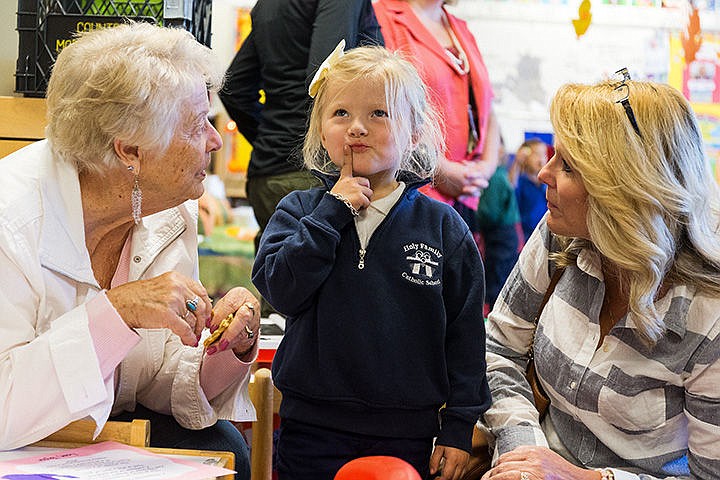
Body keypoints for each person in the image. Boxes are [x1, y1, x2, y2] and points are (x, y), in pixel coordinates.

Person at [0, 23, 262, 478]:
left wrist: (225, 348)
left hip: (105, 439)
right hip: (23, 445)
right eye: (198, 123)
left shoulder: (168, 212)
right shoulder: (12, 219)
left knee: (225, 446)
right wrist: (117, 312)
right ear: (130, 151)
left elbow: (155, 377)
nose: (216, 139)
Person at [251, 45, 491, 479]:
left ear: (414, 131)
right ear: (321, 130)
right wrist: (331, 214)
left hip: (409, 437)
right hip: (310, 432)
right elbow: (281, 289)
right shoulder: (300, 211)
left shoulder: (442, 227)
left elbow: (466, 338)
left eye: (379, 114)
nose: (357, 128)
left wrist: (458, 428)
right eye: (340, 113)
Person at [480, 72, 720, 479]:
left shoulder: (707, 313)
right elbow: (500, 348)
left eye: (568, 166)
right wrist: (523, 456)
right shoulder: (562, 233)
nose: (544, 174)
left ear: (623, 192)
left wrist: (581, 477)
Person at [218, 0, 384, 317]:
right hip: (318, 177)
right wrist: (305, 145)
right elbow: (327, 74)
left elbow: (234, 87)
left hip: (268, 174)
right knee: (326, 312)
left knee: (279, 307)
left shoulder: (270, 4)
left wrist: (270, 139)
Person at [373, 0, 500, 233]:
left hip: (466, 196)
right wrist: (442, 171)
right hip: (412, 193)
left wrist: (484, 169)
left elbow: (488, 108)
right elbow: (386, 107)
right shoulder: (382, 17)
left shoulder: (460, 29)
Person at [475, 137, 521, 313]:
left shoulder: (497, 175)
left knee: (497, 282)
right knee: (500, 282)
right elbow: (491, 211)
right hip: (503, 237)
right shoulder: (499, 174)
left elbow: (489, 213)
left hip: (500, 237)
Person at [509, 138, 548, 242]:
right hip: (525, 237)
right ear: (525, 158)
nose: (541, 160)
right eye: (536, 155)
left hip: (544, 235)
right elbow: (511, 188)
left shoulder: (547, 183)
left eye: (543, 154)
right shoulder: (521, 181)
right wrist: (517, 162)